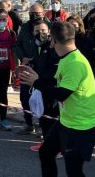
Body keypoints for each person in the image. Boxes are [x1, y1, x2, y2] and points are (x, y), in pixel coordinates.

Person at [19, 21, 95, 177]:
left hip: (81, 127)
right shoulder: (66, 57)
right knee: (45, 153)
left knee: (73, 170)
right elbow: (53, 83)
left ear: (53, 40)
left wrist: (36, 82)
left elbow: (61, 94)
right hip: (66, 121)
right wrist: (36, 76)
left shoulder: (75, 63)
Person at [24, 19, 60, 152]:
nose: (40, 33)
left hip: (50, 87)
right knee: (43, 116)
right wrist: (31, 62)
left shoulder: (53, 47)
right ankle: (46, 142)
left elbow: (54, 68)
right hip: (40, 86)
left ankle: (56, 147)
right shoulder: (39, 46)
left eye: (43, 31)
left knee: (52, 117)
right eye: (37, 31)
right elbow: (40, 62)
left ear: (49, 31)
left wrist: (40, 77)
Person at [15, 3, 49, 135]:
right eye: (32, 14)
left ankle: (43, 126)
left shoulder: (49, 26)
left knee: (43, 98)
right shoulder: (25, 27)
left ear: (43, 13)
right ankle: (29, 123)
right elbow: (18, 45)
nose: (34, 16)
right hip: (28, 67)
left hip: (43, 71)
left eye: (37, 14)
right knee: (25, 97)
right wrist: (23, 58)